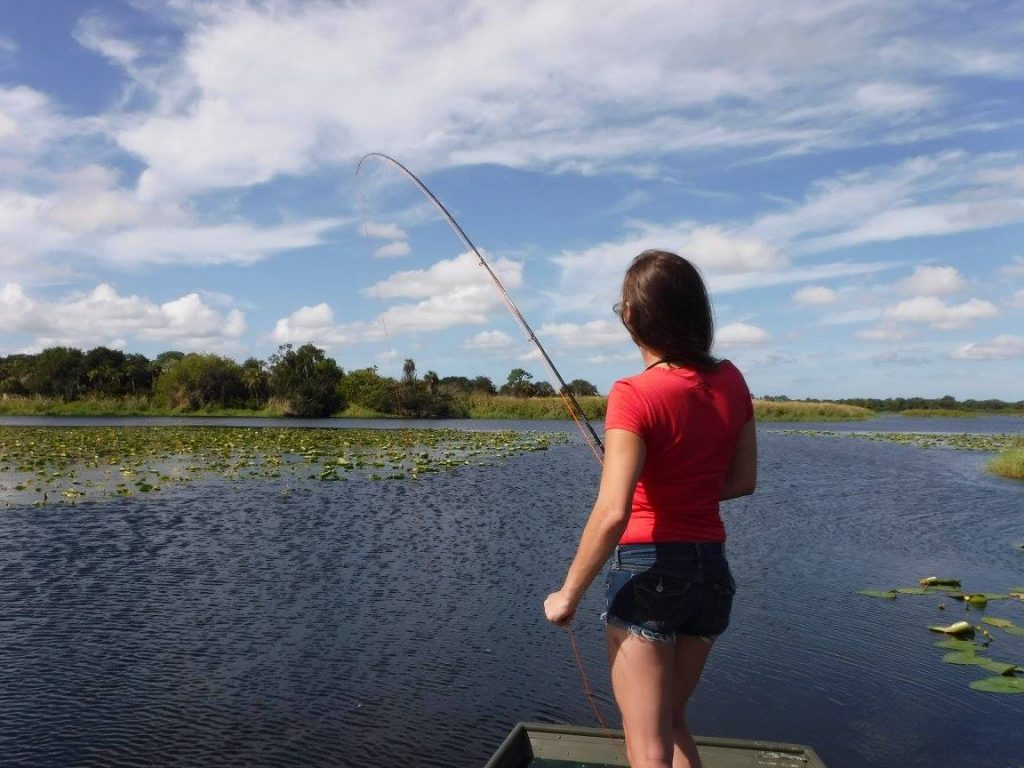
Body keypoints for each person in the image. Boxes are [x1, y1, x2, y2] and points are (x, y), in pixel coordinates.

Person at [544, 250, 757, 768]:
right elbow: (742, 481)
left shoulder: (633, 394)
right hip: (712, 574)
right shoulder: (732, 380)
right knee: (670, 721)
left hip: (650, 574)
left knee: (646, 748)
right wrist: (676, 492)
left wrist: (567, 593)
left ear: (632, 317)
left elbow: (613, 510)